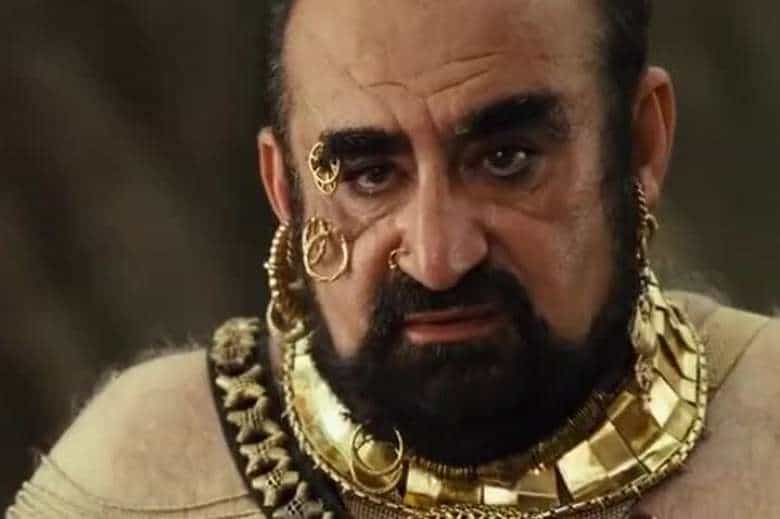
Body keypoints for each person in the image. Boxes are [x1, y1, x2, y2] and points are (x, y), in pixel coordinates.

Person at [7, 0, 779, 517]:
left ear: (641, 143)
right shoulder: (140, 480)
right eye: (369, 175)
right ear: (284, 189)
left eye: (506, 160)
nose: (439, 258)